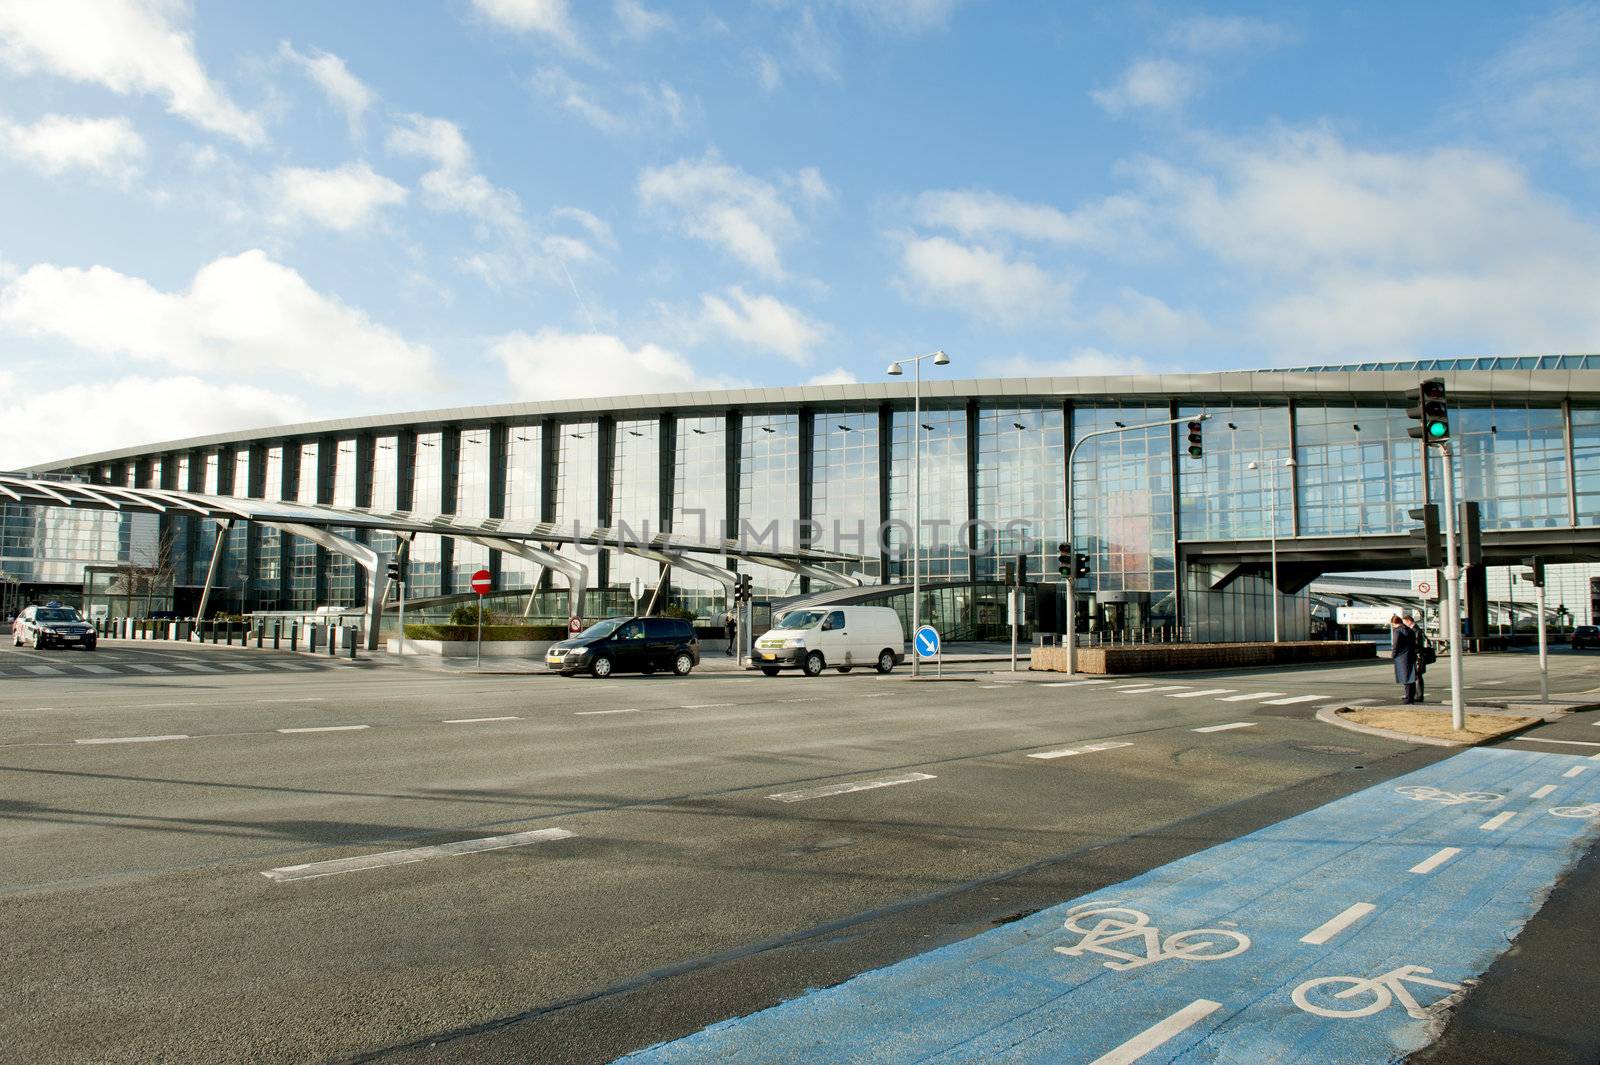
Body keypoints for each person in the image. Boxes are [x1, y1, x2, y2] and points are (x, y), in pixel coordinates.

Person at [1392, 614, 1420, 704]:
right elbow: (1414, 643)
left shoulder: (1397, 631)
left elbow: (1395, 644)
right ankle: (1411, 696)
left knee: (1405, 677)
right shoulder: (1410, 630)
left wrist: (1394, 654)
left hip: (1401, 656)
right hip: (1410, 655)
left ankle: (1408, 697)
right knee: (1410, 676)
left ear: (1394, 623)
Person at [1403, 615, 1427, 702]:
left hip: (1417, 656)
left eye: (1405, 622)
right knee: (1416, 676)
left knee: (1417, 676)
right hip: (1417, 656)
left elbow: (1417, 644)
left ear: (1409, 621)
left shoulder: (1415, 630)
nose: (1404, 624)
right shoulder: (1416, 629)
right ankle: (1414, 695)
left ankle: (1419, 696)